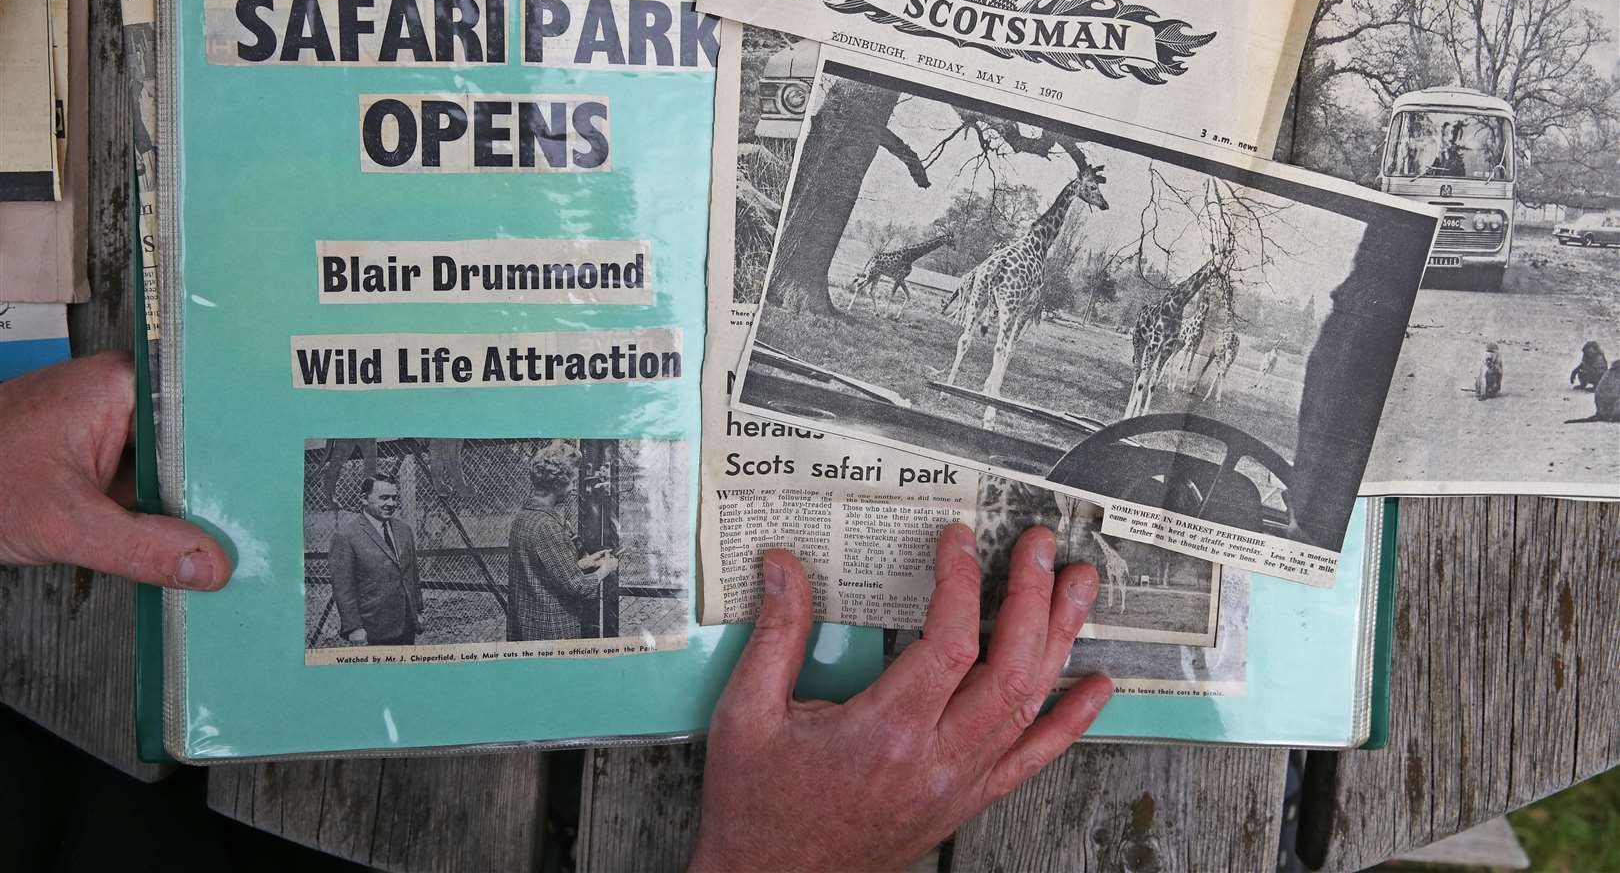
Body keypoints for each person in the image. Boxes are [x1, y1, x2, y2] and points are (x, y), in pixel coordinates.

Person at [1, 353, 1113, 870]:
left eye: (396, 486)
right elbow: (541, 589)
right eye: (382, 487)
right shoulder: (481, 531)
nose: (393, 494)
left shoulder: (495, 524)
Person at [506, 441, 619, 642]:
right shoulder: (546, 525)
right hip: (551, 631)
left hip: (526, 627)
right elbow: (578, 586)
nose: (574, 488)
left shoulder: (522, 518)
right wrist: (606, 568)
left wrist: (584, 563)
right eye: (573, 481)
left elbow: (542, 568)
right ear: (557, 484)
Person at [328, 474, 424, 646]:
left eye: (394, 498)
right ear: (364, 499)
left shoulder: (404, 530)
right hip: (372, 630)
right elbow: (343, 588)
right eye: (384, 498)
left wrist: (418, 610)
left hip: (406, 625)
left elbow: (412, 574)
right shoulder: (346, 536)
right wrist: (354, 627)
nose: (391, 504)